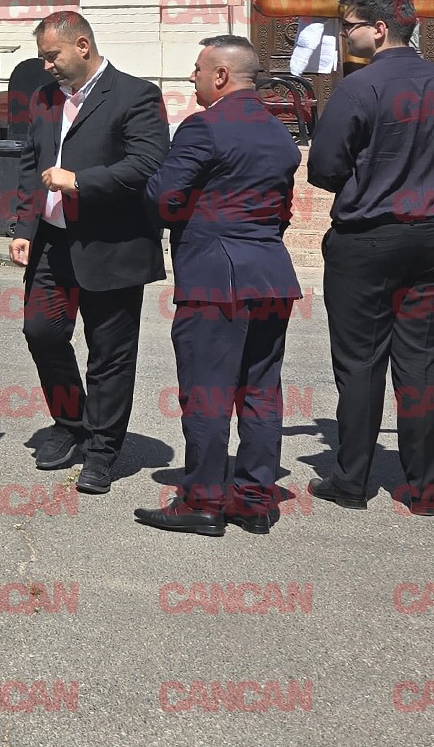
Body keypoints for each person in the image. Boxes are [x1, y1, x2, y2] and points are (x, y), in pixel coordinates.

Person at [306, 0, 434, 516]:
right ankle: (426, 488)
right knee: (423, 359)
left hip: (368, 237)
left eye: (349, 26)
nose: (344, 35)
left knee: (360, 361)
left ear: (379, 29)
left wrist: (370, 180)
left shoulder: (359, 88)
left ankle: (351, 480)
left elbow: (324, 168)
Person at [137, 36, 302, 536]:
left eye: (198, 68)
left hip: (216, 278)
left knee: (207, 394)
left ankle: (203, 501)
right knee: (261, 391)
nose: (192, 77)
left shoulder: (203, 126)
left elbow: (162, 197)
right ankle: (254, 499)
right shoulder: (279, 133)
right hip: (271, 274)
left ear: (222, 76)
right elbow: (282, 209)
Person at [8, 11, 170, 495]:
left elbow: (149, 163)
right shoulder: (44, 98)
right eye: (42, 57)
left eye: (51, 56)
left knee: (109, 353)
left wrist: (79, 181)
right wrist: (23, 225)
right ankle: (70, 421)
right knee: (41, 332)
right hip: (51, 242)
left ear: (82, 46)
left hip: (112, 244)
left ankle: (102, 450)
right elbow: (31, 163)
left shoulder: (136, 95)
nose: (46, 65)